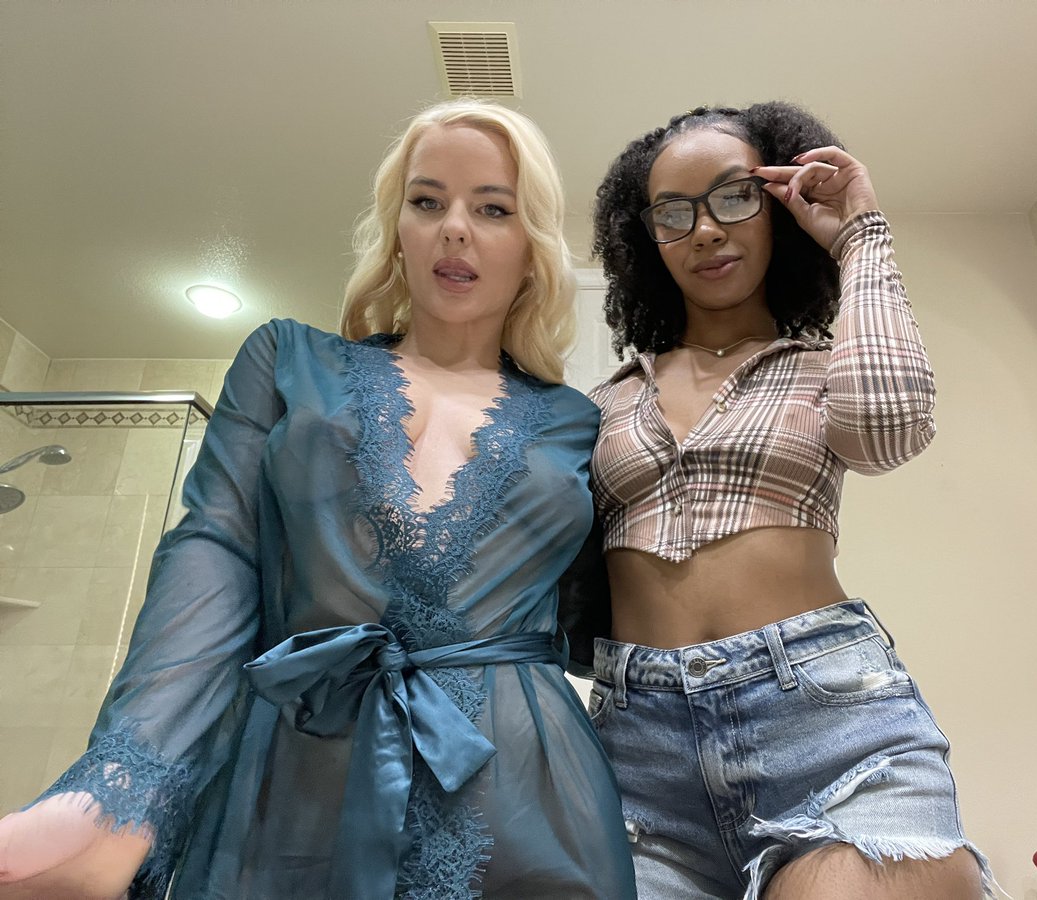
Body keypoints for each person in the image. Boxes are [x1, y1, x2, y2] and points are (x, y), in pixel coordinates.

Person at [0, 98, 637, 900]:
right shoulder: (286, 361)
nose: (454, 228)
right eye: (427, 201)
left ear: (531, 246)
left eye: (493, 208)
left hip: (527, 795)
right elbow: (216, 553)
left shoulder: (577, 420)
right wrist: (118, 791)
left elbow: (599, 614)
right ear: (397, 230)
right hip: (296, 775)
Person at [574, 102, 1000, 899]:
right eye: (673, 213)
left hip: (829, 727)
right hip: (637, 753)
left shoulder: (821, 369)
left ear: (777, 207)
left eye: (734, 196)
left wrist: (860, 233)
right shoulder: (604, 401)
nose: (705, 230)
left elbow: (888, 429)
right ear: (646, 238)